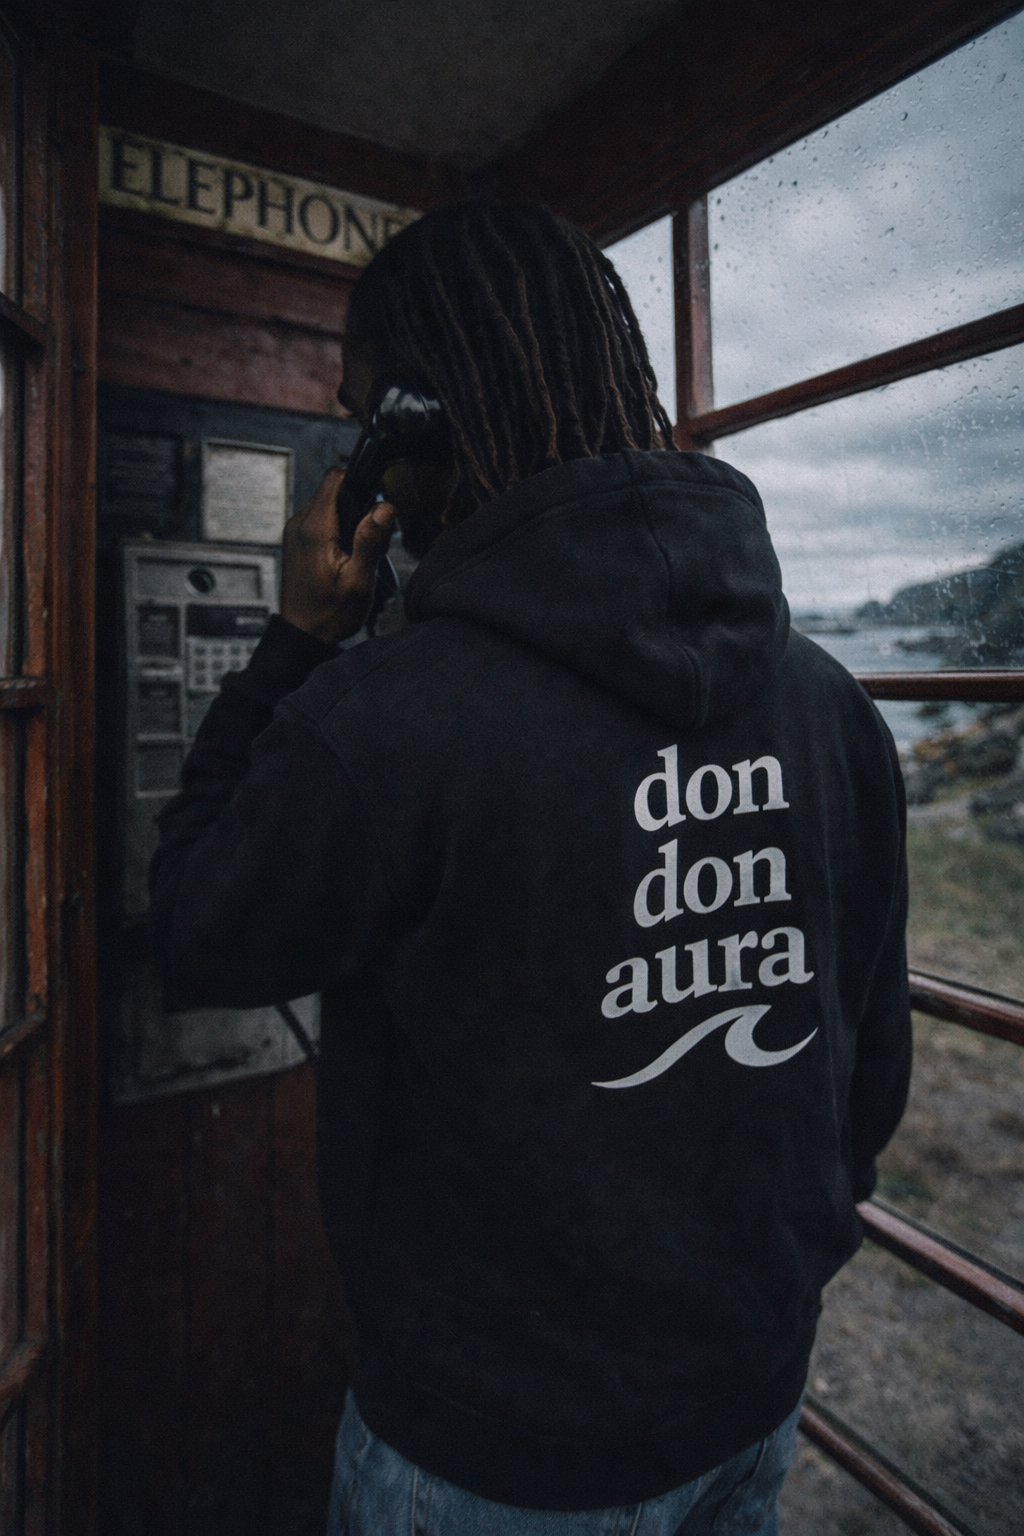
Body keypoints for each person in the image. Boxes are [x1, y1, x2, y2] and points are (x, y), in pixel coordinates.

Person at [149, 197, 912, 1536]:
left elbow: (198, 930)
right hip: (750, 1395)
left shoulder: (384, 719)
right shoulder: (827, 703)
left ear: (416, 430)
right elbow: (869, 1070)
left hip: (498, 1448)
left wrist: (295, 642)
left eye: (363, 417)